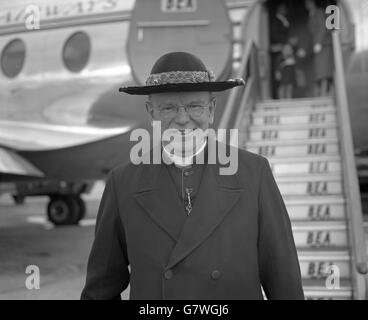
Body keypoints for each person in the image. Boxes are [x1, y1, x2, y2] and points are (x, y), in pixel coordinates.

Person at [80, 52, 304, 300]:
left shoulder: (255, 173)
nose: (183, 119)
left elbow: (284, 282)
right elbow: (101, 290)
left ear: (211, 110)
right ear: (151, 113)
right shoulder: (122, 184)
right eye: (168, 108)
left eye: (194, 106)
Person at [305, 0, 334, 96]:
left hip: (324, 45)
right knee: (320, 70)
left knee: (324, 70)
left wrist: (318, 43)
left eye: (308, 2)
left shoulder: (319, 12)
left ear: (313, 2)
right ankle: (326, 92)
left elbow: (322, 27)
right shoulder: (311, 14)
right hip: (317, 45)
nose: (307, 4)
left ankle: (324, 93)